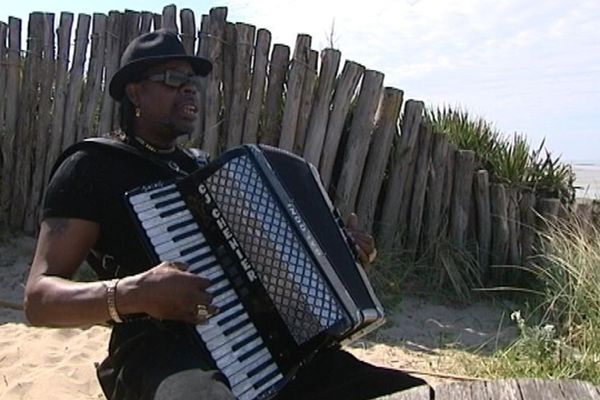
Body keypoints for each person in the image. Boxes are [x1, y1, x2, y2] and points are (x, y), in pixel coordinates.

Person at [24, 29, 427, 400]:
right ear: (134, 93)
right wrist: (135, 293)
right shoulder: (91, 167)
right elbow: (39, 299)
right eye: (171, 79)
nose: (188, 89)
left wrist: (339, 260)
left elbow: (265, 280)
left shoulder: (202, 171)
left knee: (408, 392)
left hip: (253, 345)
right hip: (155, 348)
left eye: (192, 80)